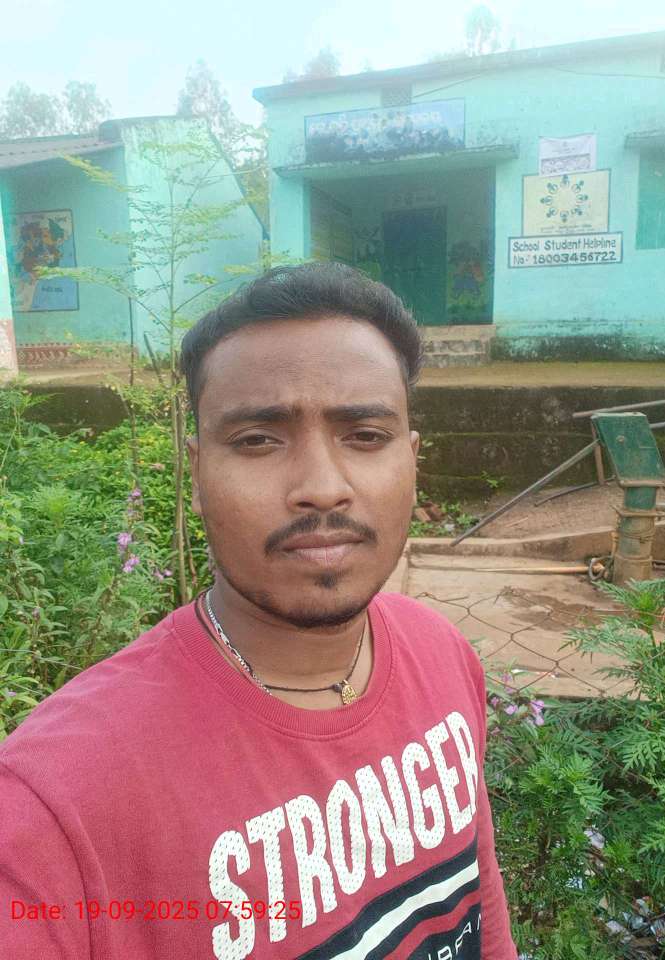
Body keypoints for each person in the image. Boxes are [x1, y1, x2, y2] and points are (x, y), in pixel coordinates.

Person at [0, 262, 517, 959]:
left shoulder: (442, 653)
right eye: (257, 440)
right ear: (197, 472)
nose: (323, 487)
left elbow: (480, 902)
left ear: (413, 459)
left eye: (365, 435)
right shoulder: (55, 806)